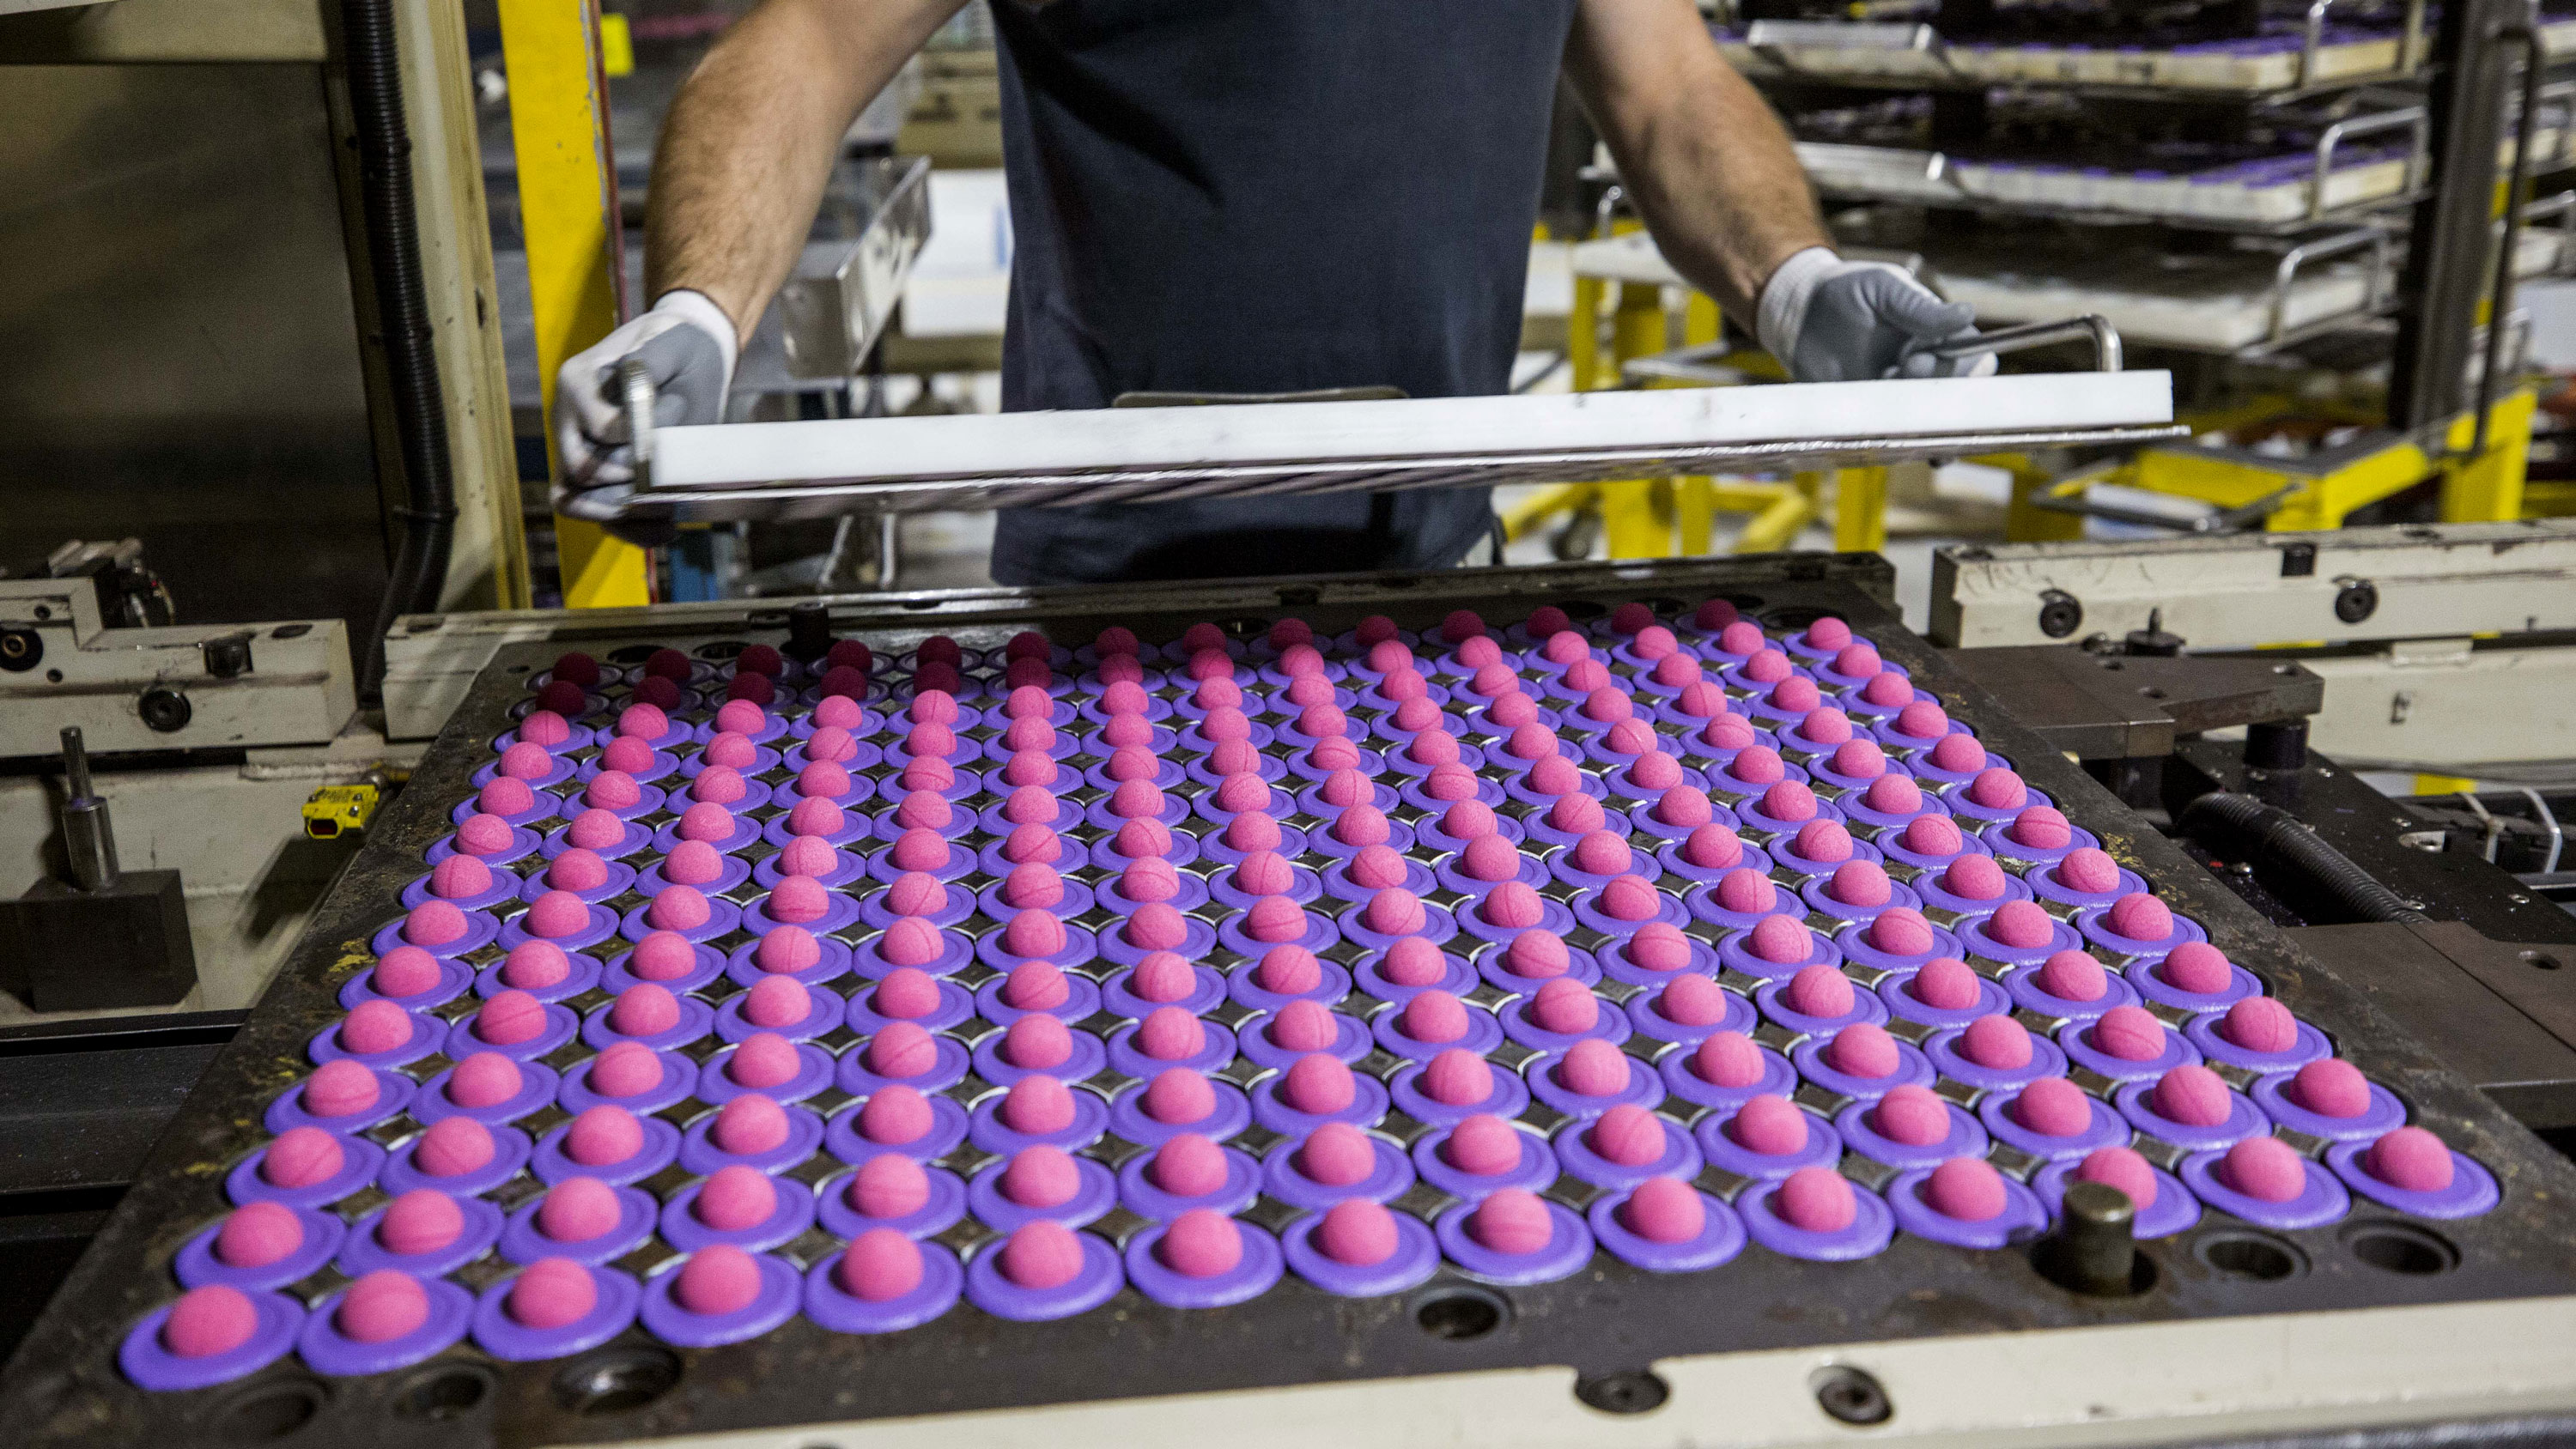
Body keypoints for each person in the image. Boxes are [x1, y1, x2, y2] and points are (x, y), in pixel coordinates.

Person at [556, 0, 1989, 584]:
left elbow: (1669, 86)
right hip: (1106, 604)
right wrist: (697, 313)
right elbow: (799, 45)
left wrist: (1797, 277)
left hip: (1430, 574)